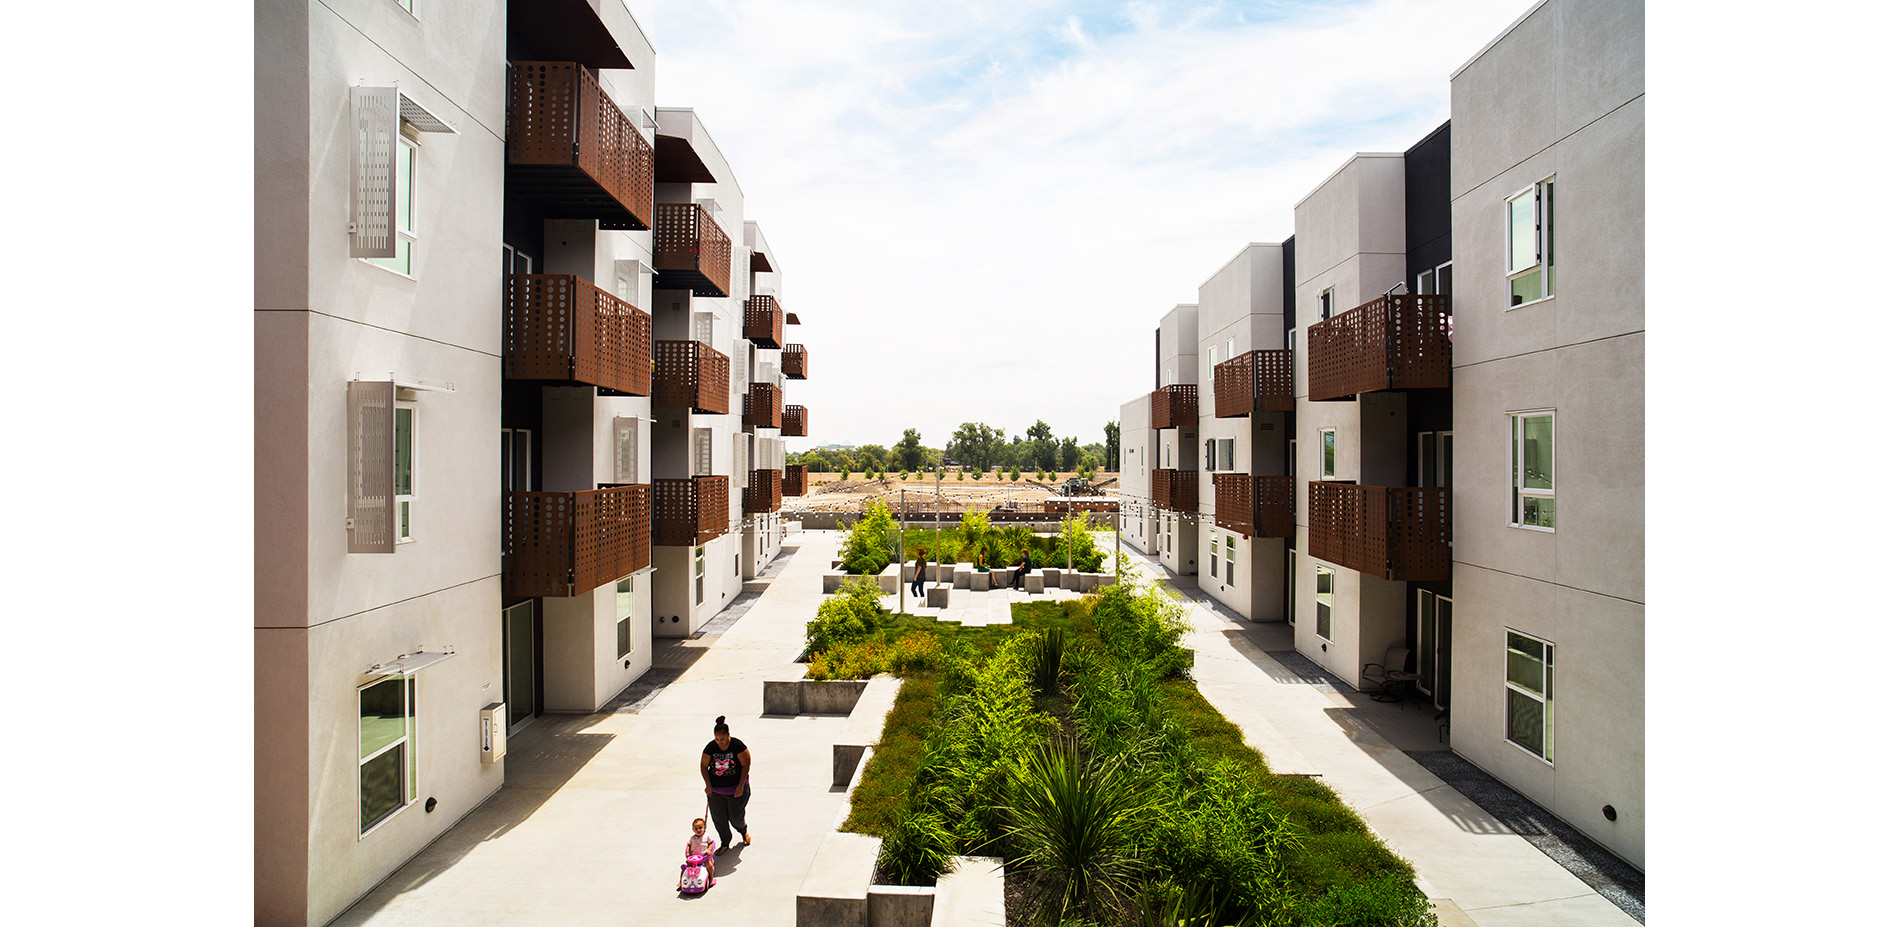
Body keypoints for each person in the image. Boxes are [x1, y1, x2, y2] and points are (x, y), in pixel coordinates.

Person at [700, 716, 752, 853]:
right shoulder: (711, 748)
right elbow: (704, 766)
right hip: (716, 792)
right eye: (717, 739)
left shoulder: (737, 746)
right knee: (719, 819)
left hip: (736, 790)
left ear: (728, 735)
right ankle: (725, 842)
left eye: (722, 739)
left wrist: (741, 786)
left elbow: (746, 764)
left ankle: (743, 831)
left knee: (736, 817)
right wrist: (708, 785)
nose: (719, 742)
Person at [678, 817, 716, 891]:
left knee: (710, 865)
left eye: (700, 828)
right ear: (693, 829)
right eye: (696, 828)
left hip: (703, 857)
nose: (698, 830)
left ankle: (711, 879)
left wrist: (709, 850)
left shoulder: (706, 836)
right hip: (693, 858)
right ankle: (681, 881)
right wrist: (688, 853)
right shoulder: (692, 838)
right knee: (685, 867)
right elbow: (688, 845)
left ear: (705, 827)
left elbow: (711, 843)